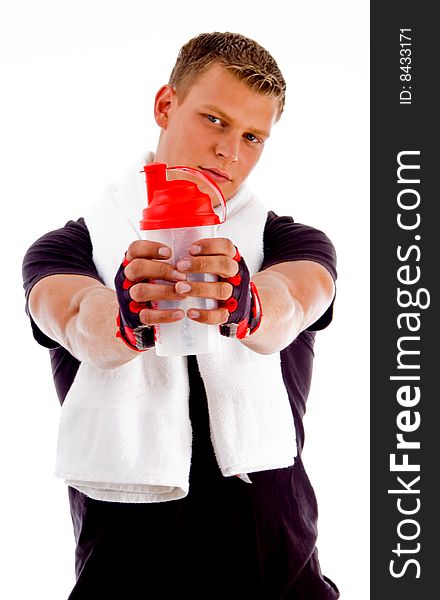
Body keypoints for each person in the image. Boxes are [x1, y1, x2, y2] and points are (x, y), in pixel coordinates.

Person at [22, 32, 339, 599]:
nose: (230, 152)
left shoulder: (290, 241)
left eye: (252, 137)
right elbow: (72, 313)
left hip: (281, 578)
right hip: (122, 578)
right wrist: (124, 318)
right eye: (214, 120)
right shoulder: (68, 248)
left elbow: (297, 298)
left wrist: (250, 305)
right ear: (166, 106)